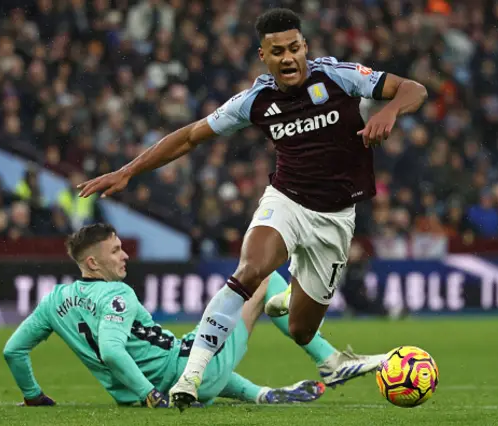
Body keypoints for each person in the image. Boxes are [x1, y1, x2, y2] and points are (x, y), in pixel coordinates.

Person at [77, 8, 427, 410]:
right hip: (287, 201)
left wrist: (388, 110)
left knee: (300, 329)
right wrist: (128, 170)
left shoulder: (339, 76)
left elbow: (414, 89)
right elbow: (191, 136)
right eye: (277, 51)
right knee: (249, 271)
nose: (288, 58)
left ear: (305, 47)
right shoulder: (255, 100)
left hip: (336, 218)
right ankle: (192, 374)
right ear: (264, 55)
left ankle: (288, 298)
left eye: (295, 48)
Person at [3, 223, 378, 408]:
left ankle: (263, 395)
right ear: (92, 262)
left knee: (200, 345)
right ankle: (327, 359)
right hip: (177, 377)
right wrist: (152, 395)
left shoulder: (53, 301)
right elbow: (113, 349)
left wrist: (33, 396)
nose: (125, 255)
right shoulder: (117, 293)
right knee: (262, 277)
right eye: (116, 251)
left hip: (137, 392)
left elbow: (13, 351)